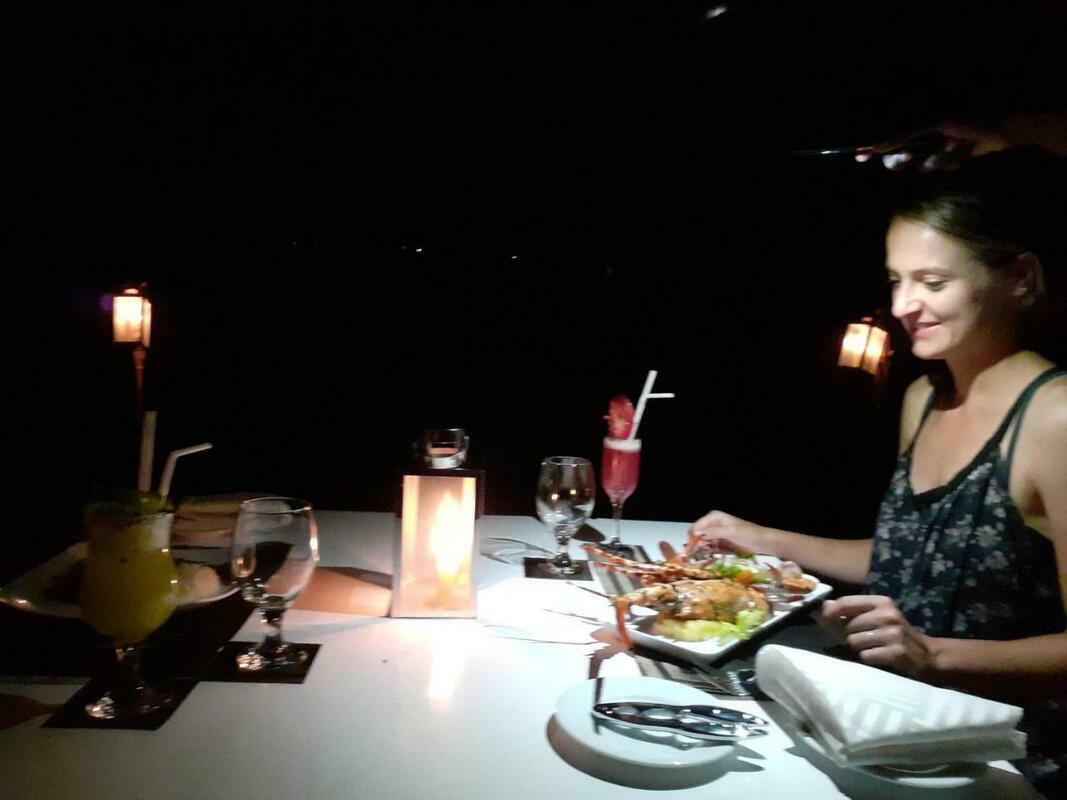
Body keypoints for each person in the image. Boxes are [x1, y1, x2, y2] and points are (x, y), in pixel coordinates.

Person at [690, 146, 1067, 784]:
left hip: (1004, 755)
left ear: (1020, 278)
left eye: (933, 282)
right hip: (886, 720)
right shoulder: (923, 398)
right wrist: (761, 539)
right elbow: (905, 555)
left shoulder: (1054, 416)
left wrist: (931, 655)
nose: (903, 305)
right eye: (897, 281)